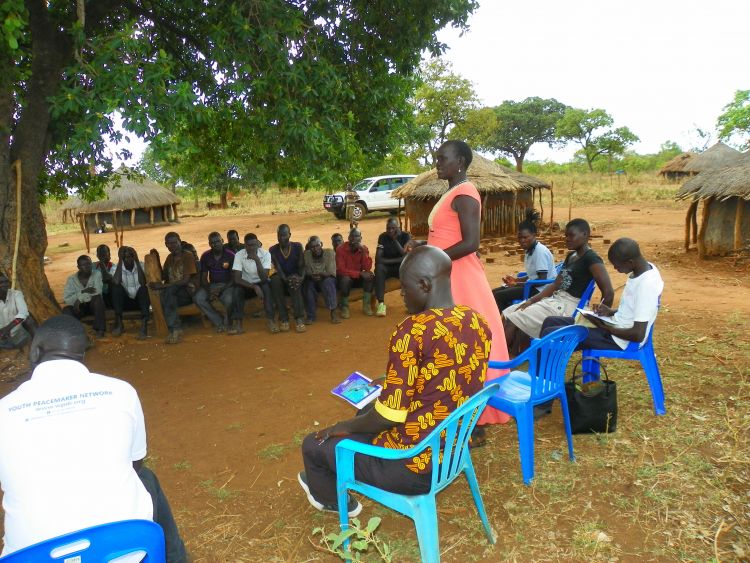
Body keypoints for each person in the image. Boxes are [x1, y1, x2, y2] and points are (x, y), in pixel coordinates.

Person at [298, 245, 491, 516]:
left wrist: (341, 426)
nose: (401, 294)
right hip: (451, 451)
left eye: (404, 287)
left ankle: (334, 500)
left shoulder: (413, 330)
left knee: (314, 444)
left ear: (424, 285)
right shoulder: (476, 322)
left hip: (411, 467)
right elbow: (449, 373)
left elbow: (388, 417)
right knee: (366, 411)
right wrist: (390, 381)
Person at [0, 315, 188, 561]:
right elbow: (135, 464)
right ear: (82, 355)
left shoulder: (5, 409)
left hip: (35, 555)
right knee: (145, 478)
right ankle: (175, 557)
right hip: (127, 550)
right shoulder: (121, 392)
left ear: (35, 353)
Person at [415, 140, 512, 433]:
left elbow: (471, 243)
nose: (437, 163)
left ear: (460, 160)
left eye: (443, 158)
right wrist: (422, 247)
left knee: (465, 343)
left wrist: (434, 258)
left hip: (459, 276)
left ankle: (476, 418)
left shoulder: (466, 192)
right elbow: (445, 236)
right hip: (446, 272)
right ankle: (458, 407)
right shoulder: (451, 192)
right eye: (436, 158)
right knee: (450, 342)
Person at [503, 218, 614, 355]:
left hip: (569, 306)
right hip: (556, 300)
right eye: (566, 235)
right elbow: (556, 284)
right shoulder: (571, 256)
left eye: (571, 235)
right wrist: (531, 301)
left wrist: (600, 320)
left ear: (585, 235)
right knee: (509, 312)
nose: (566, 239)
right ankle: (517, 355)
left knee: (515, 318)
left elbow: (608, 292)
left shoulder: (591, 259)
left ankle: (502, 361)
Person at [540, 238, 663, 351]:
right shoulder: (643, 269)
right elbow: (635, 309)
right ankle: (542, 370)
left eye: (617, 265)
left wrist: (605, 328)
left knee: (551, 333)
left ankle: (543, 374)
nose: (615, 268)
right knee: (551, 322)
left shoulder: (646, 285)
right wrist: (611, 312)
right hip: (614, 326)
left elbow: (638, 334)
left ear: (630, 262)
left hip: (619, 340)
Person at [492, 218, 556, 312]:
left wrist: (517, 284)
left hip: (541, 290)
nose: (522, 240)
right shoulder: (530, 250)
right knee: (493, 293)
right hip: (533, 286)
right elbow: (533, 275)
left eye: (525, 237)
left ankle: (504, 320)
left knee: (498, 296)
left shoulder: (540, 252)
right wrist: (516, 280)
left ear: (534, 235)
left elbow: (542, 280)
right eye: (520, 237)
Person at [148, 232, 198, 345]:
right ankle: (174, 329)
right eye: (169, 244)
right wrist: (157, 259)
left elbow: (185, 281)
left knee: (167, 293)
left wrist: (162, 286)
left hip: (187, 292)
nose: (172, 246)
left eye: (174, 242)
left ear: (180, 241)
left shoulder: (187, 256)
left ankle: (175, 329)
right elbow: (164, 276)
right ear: (166, 245)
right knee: (165, 296)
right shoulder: (170, 258)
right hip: (174, 294)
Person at [232, 233, 276, 333]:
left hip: (261, 282)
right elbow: (237, 279)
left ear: (257, 244)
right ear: (245, 245)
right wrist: (254, 287)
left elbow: (264, 278)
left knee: (266, 289)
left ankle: (271, 321)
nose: (251, 248)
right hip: (246, 284)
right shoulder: (239, 255)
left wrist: (257, 260)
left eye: (253, 245)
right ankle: (238, 324)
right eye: (248, 245)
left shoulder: (265, 254)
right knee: (237, 291)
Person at [194, 232, 235, 333]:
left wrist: (221, 291)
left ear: (222, 241)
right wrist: (209, 291)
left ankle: (228, 322)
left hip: (228, 285)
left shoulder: (231, 255)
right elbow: (204, 277)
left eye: (217, 241)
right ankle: (218, 321)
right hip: (212, 285)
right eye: (212, 242)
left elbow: (234, 278)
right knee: (198, 298)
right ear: (209, 244)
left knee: (229, 300)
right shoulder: (205, 256)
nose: (215, 244)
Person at [269, 224, 306, 333]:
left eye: (284, 235)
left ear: (289, 235)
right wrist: (287, 279)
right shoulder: (273, 250)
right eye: (279, 235)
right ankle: (284, 318)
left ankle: (299, 318)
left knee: (295, 283)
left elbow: (302, 266)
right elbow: (278, 269)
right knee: (275, 281)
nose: (281, 238)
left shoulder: (298, 247)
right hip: (282, 278)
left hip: (295, 276)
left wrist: (300, 279)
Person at [373, 217, 411, 317]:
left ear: (398, 228)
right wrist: (399, 260)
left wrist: (395, 240)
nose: (390, 231)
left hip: (401, 268)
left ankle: (411, 303)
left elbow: (405, 253)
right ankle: (381, 304)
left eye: (393, 228)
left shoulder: (406, 236)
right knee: (379, 268)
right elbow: (378, 259)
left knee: (410, 267)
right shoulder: (383, 237)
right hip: (388, 267)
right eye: (388, 228)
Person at [111, 246, 150, 339]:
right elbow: (116, 282)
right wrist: (120, 261)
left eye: (131, 256)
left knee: (143, 288)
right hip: (124, 303)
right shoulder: (115, 268)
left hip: (140, 302)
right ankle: (120, 324)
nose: (128, 259)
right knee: (116, 288)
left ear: (134, 256)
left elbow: (143, 282)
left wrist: (137, 261)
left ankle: (144, 325)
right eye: (125, 257)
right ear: (121, 258)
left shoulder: (142, 265)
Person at [62, 255, 106, 337]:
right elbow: (67, 298)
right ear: (78, 267)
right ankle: (75, 332)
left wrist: (79, 299)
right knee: (66, 310)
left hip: (93, 306)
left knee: (98, 299)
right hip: (78, 308)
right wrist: (83, 291)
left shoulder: (96, 274)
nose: (87, 267)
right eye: (84, 265)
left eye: (89, 264)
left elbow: (97, 291)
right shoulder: (71, 279)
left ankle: (100, 329)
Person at [335, 228, 374, 318]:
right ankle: (345, 307)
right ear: (348, 238)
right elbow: (341, 270)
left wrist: (364, 252)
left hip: (357, 278)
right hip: (345, 278)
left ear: (360, 238)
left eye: (357, 236)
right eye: (352, 236)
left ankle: (366, 305)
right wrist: (359, 274)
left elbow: (367, 267)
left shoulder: (364, 249)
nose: (354, 239)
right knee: (345, 280)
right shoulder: (340, 249)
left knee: (370, 276)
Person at [302, 236, 340, 324]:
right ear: (309, 247)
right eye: (312, 247)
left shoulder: (329, 252)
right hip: (313, 278)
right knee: (308, 286)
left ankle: (333, 313)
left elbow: (330, 272)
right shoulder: (307, 255)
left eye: (317, 246)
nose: (315, 249)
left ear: (321, 244)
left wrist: (321, 275)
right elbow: (307, 271)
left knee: (328, 283)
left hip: (327, 277)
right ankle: (311, 316)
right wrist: (312, 276)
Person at [0, 273, 36, 349]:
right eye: (1, 282)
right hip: (2, 336)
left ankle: (36, 343)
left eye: (6, 281)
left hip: (17, 333)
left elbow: (23, 313)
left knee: (29, 318)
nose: (5, 284)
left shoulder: (16, 294)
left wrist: (8, 328)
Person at [95, 244, 117, 308]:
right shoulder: (93, 266)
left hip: (109, 294)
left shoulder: (113, 266)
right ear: (97, 255)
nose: (102, 255)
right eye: (100, 253)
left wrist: (102, 264)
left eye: (104, 253)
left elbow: (107, 278)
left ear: (109, 254)